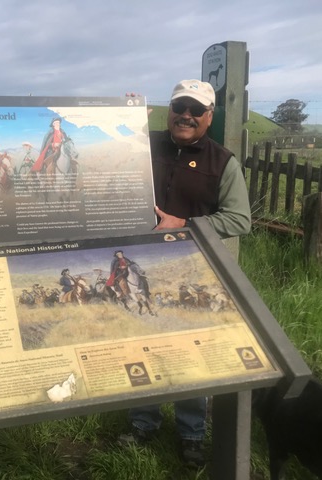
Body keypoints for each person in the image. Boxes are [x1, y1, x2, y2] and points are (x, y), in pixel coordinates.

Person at [119, 79, 251, 468]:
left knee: (189, 350)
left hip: (190, 269)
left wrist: (185, 223)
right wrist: (125, 123)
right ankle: (143, 421)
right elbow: (108, 156)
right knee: (139, 341)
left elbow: (240, 219)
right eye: (180, 107)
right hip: (141, 266)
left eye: (196, 110)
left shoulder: (222, 162)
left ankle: (191, 431)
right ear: (169, 111)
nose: (187, 116)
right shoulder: (146, 145)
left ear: (210, 116)